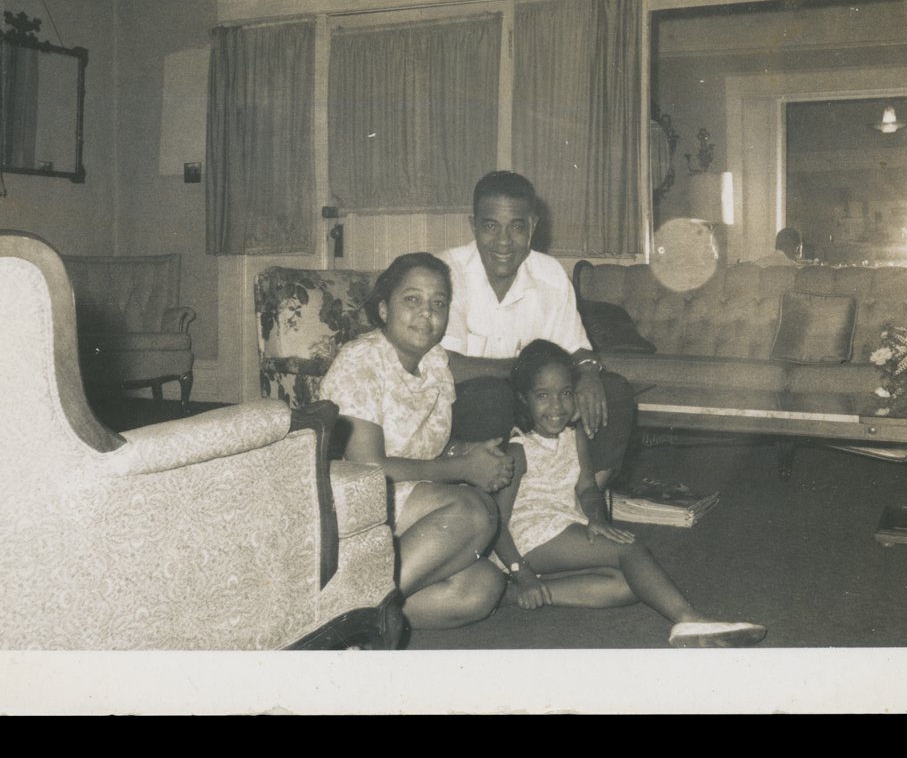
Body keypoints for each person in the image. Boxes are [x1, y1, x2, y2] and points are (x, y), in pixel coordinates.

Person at [491, 340, 768, 649]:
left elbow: (586, 487)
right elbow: (497, 523)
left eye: (565, 393)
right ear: (523, 399)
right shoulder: (519, 449)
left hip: (562, 524)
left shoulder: (574, 435)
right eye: (543, 395)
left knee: (629, 584)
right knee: (631, 550)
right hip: (526, 539)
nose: (557, 406)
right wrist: (522, 571)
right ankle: (687, 619)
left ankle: (509, 595)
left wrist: (596, 519)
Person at [318, 252, 513, 630]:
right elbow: (368, 468)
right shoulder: (361, 360)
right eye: (412, 300)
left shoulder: (435, 363)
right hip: (350, 504)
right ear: (384, 309)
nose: (427, 313)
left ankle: (348, 616)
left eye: (438, 303)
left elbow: (426, 444)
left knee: (484, 585)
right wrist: (462, 470)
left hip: (404, 506)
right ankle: (354, 607)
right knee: (475, 511)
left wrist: (470, 453)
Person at [438, 171, 636, 490]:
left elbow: (576, 349)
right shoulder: (447, 273)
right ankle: (491, 512)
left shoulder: (551, 274)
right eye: (490, 226)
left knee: (612, 392)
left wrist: (587, 371)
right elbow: (446, 365)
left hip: (533, 400)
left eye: (516, 227)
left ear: (532, 226)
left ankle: (579, 506)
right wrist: (524, 372)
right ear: (473, 224)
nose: (503, 242)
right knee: (493, 395)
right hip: (469, 405)